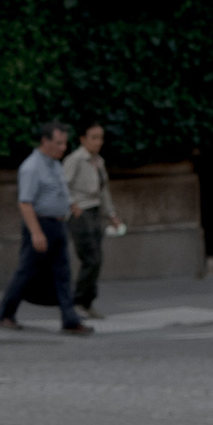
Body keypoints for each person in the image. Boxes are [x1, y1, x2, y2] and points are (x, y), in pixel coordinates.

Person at [0, 120, 93, 333]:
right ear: (45, 141)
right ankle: (5, 312)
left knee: (63, 273)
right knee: (26, 271)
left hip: (58, 224)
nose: (63, 148)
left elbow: (58, 190)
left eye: (64, 143)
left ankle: (70, 319)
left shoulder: (55, 164)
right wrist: (36, 232)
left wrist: (70, 204)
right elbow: (25, 202)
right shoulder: (31, 167)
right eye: (58, 143)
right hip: (41, 223)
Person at [64, 119, 119, 316]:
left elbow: (104, 191)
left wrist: (112, 214)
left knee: (97, 258)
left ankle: (87, 302)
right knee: (91, 258)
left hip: (95, 211)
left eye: (100, 138)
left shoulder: (98, 161)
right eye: (94, 138)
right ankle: (78, 301)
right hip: (81, 212)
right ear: (83, 139)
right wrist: (72, 204)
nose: (98, 142)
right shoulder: (76, 159)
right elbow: (63, 185)